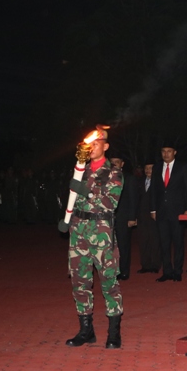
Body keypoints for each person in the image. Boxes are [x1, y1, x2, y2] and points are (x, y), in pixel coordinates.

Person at [63, 125, 124, 349]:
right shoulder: (81, 169)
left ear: (105, 146)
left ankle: (114, 333)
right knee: (79, 282)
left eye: (96, 144)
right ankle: (86, 330)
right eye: (89, 144)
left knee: (109, 281)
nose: (92, 148)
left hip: (101, 233)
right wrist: (67, 219)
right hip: (78, 231)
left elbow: (110, 203)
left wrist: (86, 190)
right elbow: (72, 199)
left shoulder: (113, 172)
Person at [150, 142, 187, 282]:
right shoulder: (156, 167)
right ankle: (167, 271)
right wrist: (153, 208)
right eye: (163, 151)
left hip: (178, 211)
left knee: (178, 242)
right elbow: (153, 190)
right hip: (162, 211)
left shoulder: (183, 167)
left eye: (169, 151)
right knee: (164, 243)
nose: (166, 154)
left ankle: (177, 271)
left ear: (174, 152)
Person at [109, 154, 139, 280]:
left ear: (122, 164)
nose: (114, 164)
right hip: (107, 217)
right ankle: (111, 271)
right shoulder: (105, 177)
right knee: (108, 246)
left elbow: (133, 199)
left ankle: (124, 271)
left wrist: (132, 217)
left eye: (117, 161)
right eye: (112, 162)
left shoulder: (129, 178)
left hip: (123, 217)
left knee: (123, 245)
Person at [137, 159, 160, 273]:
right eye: (146, 168)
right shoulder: (140, 181)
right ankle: (145, 265)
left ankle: (155, 265)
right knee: (143, 241)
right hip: (142, 216)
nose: (148, 170)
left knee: (155, 240)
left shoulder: (159, 182)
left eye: (150, 168)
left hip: (155, 216)